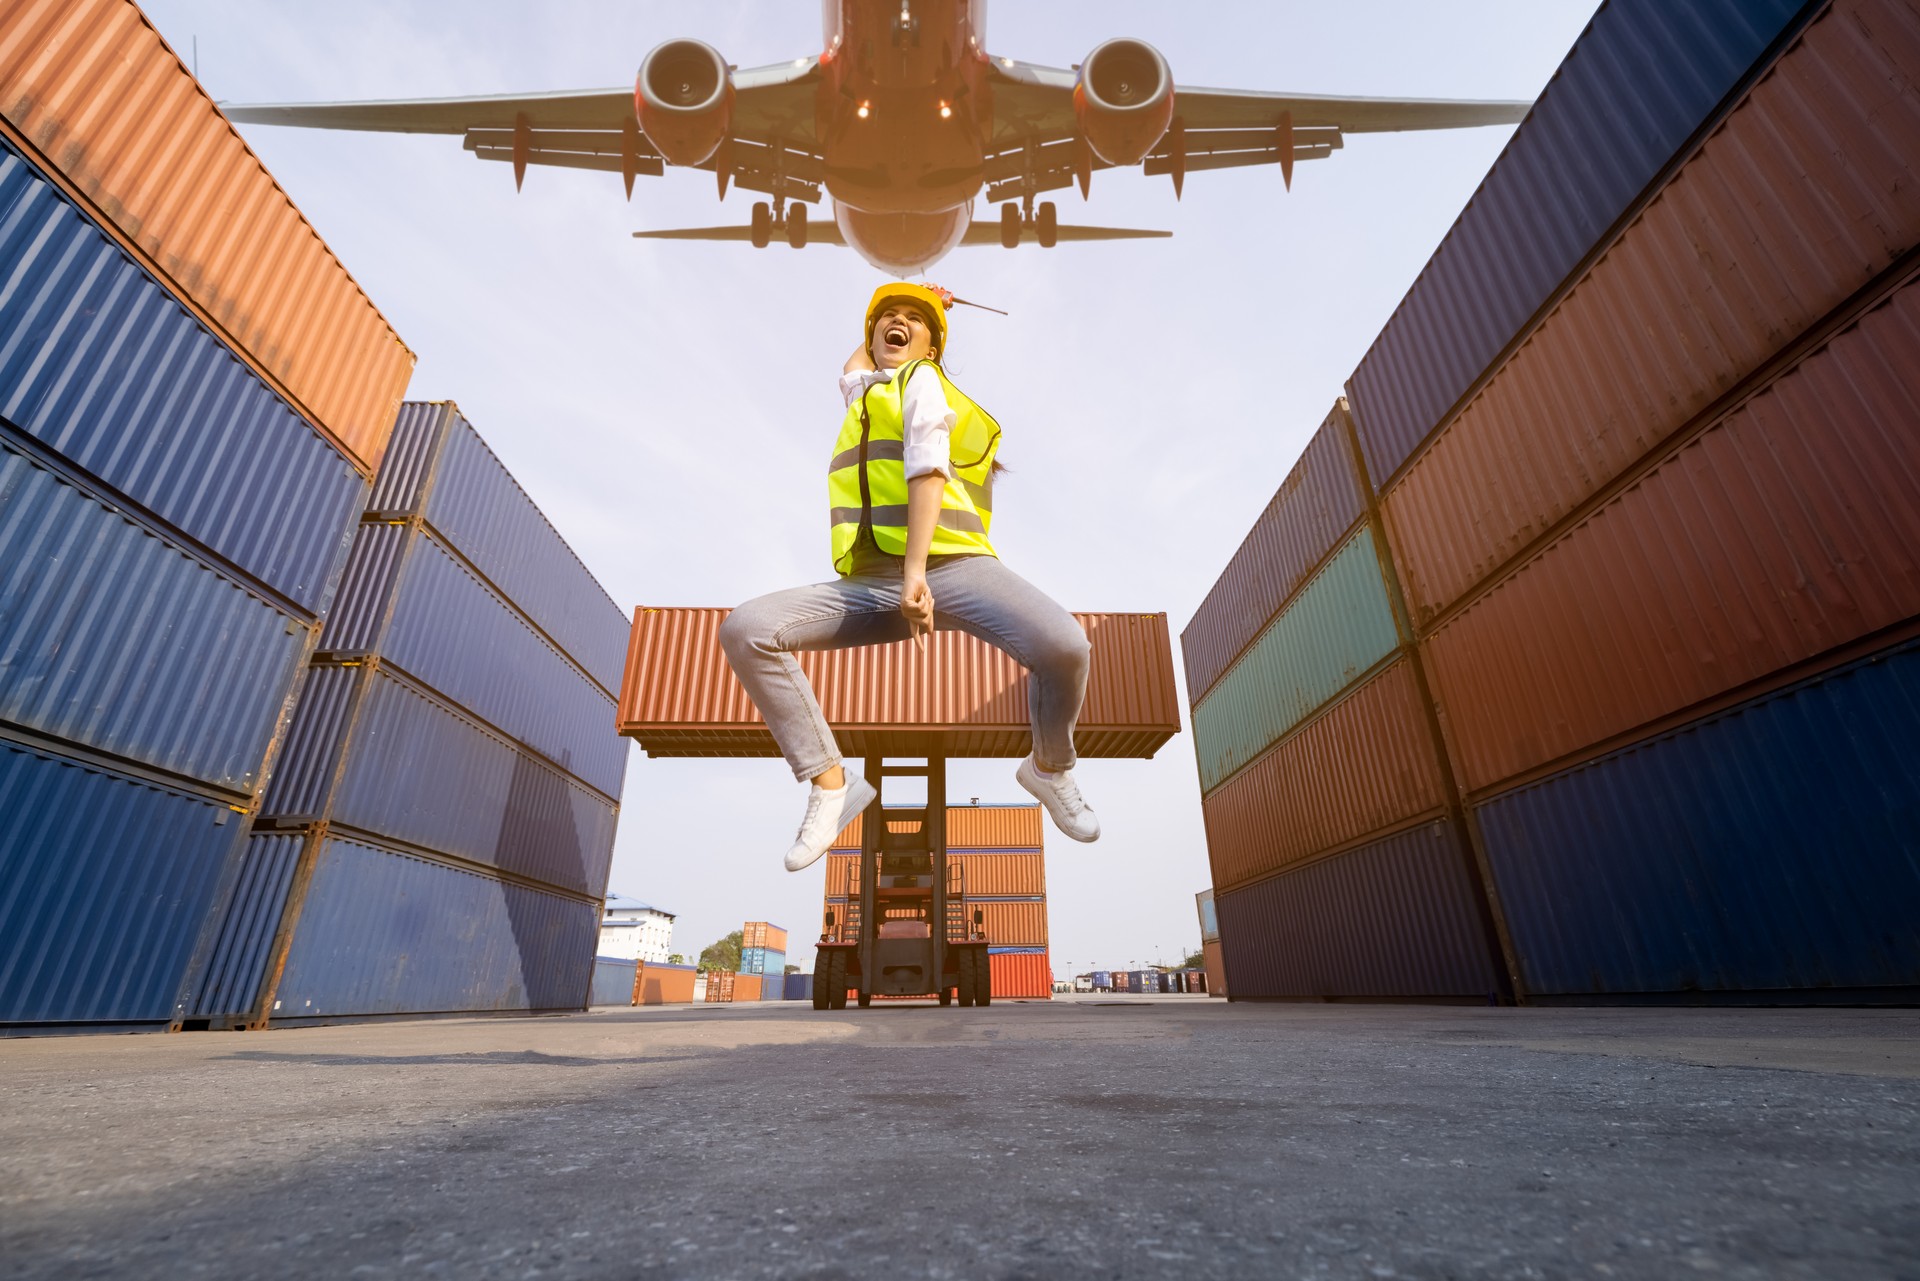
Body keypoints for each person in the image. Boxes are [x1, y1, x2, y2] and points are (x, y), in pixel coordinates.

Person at [719, 282, 1098, 872]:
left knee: (1065, 646)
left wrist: (917, 577)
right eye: (884, 322)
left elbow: (929, 472)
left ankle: (1049, 768)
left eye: (910, 323)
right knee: (747, 628)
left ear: (931, 348)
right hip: (877, 581)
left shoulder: (922, 382)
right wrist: (911, 307)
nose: (895, 326)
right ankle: (831, 784)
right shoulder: (866, 395)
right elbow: (855, 363)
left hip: (955, 568)